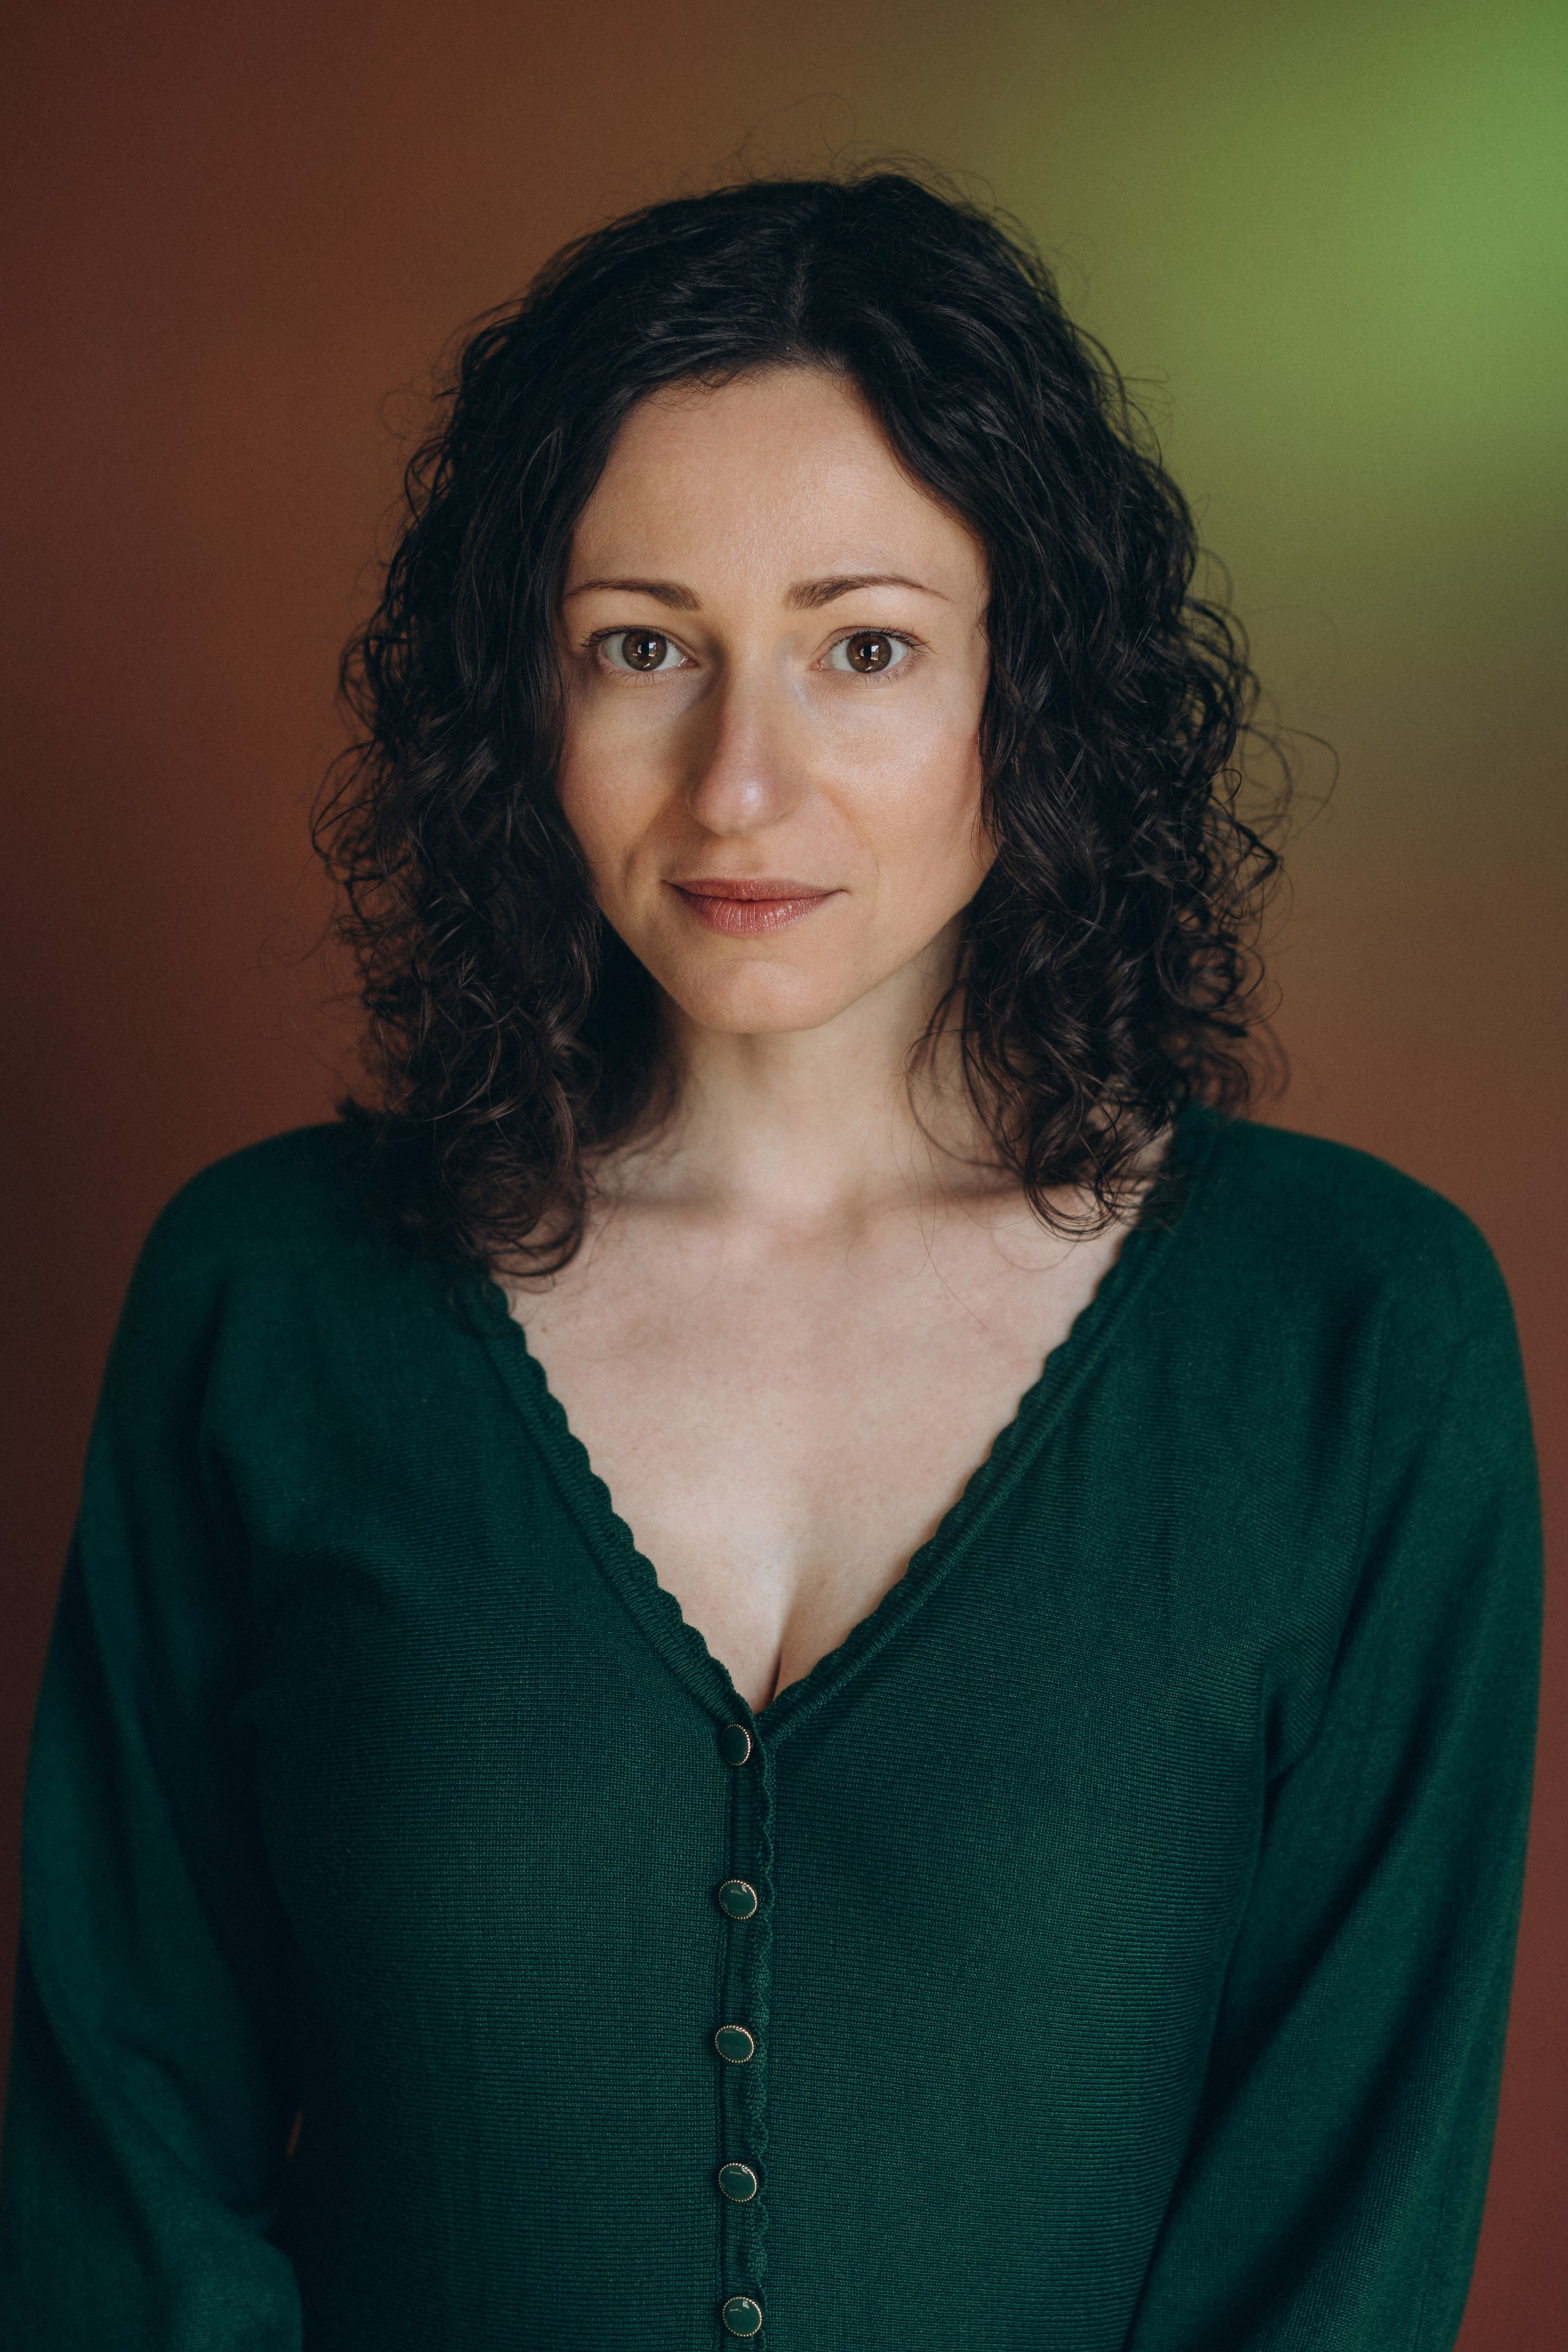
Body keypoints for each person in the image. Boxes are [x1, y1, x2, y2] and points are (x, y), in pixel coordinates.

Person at [0, 172, 1540, 2351]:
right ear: (519, 699)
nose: (741, 785)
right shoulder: (265, 1305)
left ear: (1040, 687)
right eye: (645, 645)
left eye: (867, 646)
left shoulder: (1356, 1345)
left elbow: (1343, 2226)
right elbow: (122, 2153)